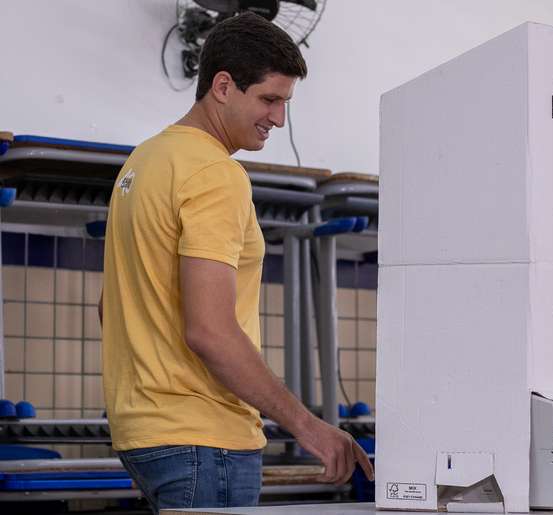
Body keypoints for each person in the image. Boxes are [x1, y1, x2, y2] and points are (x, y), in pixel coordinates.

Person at [99, 12, 373, 513]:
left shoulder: (143, 162)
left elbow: (110, 307)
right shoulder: (214, 174)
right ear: (222, 86)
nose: (278, 118)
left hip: (144, 433)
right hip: (206, 440)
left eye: (286, 103)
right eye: (269, 99)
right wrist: (309, 426)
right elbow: (210, 331)